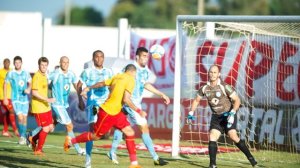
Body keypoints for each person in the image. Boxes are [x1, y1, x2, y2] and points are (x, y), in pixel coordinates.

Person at [64, 64, 142, 168]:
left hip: (116, 112)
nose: (135, 76)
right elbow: (126, 99)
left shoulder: (117, 76)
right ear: (133, 72)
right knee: (95, 136)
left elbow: (101, 84)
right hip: (107, 112)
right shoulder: (131, 80)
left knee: (129, 132)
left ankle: (134, 163)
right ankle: (71, 141)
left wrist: (89, 87)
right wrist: (139, 111)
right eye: (135, 74)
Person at [107, 47, 169, 166]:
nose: (146, 59)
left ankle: (112, 151)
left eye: (147, 56)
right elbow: (118, 80)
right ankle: (156, 158)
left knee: (122, 127)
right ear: (137, 56)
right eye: (144, 56)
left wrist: (161, 94)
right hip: (130, 102)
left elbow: (145, 84)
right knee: (144, 128)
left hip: (133, 102)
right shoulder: (130, 68)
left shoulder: (145, 71)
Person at [187, 65, 257, 168]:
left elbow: (237, 100)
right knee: (212, 136)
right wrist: (191, 113)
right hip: (216, 117)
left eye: (215, 72)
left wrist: (233, 113)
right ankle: (212, 165)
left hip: (228, 115)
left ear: (219, 74)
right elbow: (196, 100)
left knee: (233, 136)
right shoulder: (204, 88)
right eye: (211, 72)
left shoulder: (224, 86)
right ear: (208, 73)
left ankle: (251, 159)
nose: (212, 74)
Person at [77, 50, 113, 167]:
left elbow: (113, 86)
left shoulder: (109, 71)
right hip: (93, 103)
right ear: (93, 58)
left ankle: (112, 151)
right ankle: (88, 160)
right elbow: (78, 85)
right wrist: (80, 100)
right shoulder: (87, 72)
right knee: (92, 130)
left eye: (101, 57)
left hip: (106, 105)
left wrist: (112, 98)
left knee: (105, 132)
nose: (99, 59)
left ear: (104, 58)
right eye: (96, 57)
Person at [48, 56, 85, 155]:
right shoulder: (55, 73)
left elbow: (77, 86)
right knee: (70, 126)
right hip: (57, 104)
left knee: (51, 125)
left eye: (67, 62)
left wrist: (80, 100)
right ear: (60, 63)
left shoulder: (71, 74)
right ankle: (77, 149)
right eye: (63, 62)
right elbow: (44, 80)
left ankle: (32, 136)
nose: (65, 64)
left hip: (64, 105)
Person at [28, 57, 55, 155]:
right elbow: (34, 92)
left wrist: (49, 100)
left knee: (51, 127)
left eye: (45, 65)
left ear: (47, 66)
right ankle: (38, 150)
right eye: (42, 65)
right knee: (45, 128)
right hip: (39, 107)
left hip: (46, 106)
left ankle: (33, 138)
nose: (43, 67)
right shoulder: (37, 76)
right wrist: (47, 99)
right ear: (38, 65)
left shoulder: (45, 76)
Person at [3, 56, 31, 144]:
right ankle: (22, 137)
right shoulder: (11, 73)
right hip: (15, 99)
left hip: (25, 99)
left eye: (19, 62)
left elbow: (30, 82)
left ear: (21, 63)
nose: (17, 64)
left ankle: (23, 136)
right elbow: (5, 84)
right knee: (20, 117)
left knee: (25, 119)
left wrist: (29, 89)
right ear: (14, 63)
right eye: (16, 63)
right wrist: (5, 97)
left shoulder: (26, 73)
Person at [0, 58, 19, 137]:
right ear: (3, 63)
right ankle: (15, 130)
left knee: (8, 113)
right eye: (5, 63)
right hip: (3, 96)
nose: (7, 64)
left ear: (10, 63)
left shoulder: (12, 71)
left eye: (8, 63)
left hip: (11, 96)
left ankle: (5, 130)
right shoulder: (0, 72)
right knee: (11, 111)